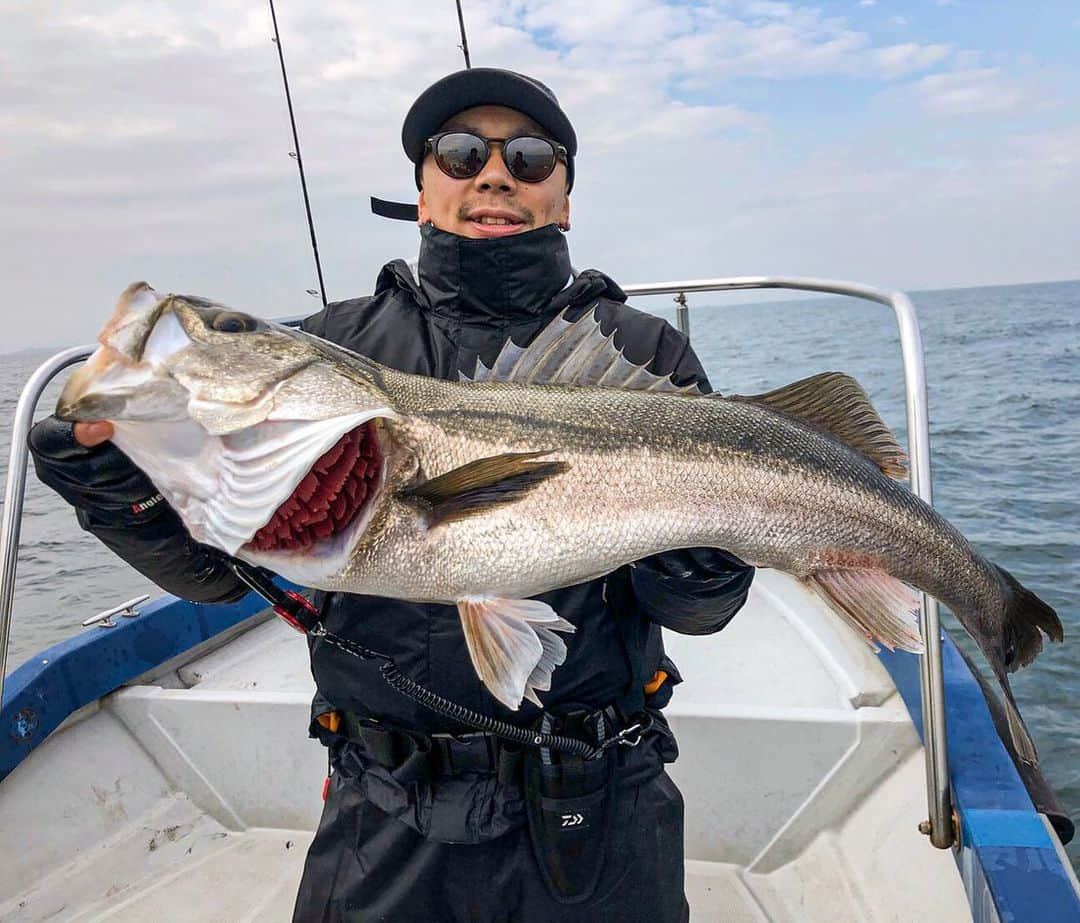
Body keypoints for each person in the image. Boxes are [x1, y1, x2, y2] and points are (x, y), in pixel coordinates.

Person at [30, 68, 754, 922]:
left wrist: (704, 554)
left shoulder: (638, 353)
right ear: (421, 191)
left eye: (527, 156)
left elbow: (702, 607)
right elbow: (223, 576)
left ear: (563, 199)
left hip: (602, 805)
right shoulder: (331, 350)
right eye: (458, 152)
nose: (493, 174)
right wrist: (125, 491)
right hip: (383, 811)